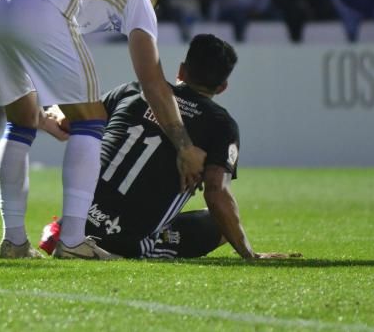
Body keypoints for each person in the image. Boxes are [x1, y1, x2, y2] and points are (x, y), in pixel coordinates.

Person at [0, 0, 206, 260]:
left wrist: (54, 109)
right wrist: (184, 145)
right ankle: (72, 241)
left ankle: (13, 241)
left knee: (22, 122)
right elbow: (152, 83)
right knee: (91, 120)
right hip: (36, 5)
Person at [38, 35, 298, 260]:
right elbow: (217, 194)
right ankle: (127, 242)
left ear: (182, 71)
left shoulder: (133, 91)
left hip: (76, 223)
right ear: (222, 87)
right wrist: (249, 253)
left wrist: (54, 113)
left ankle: (65, 231)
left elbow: (71, 122)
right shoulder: (221, 124)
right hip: (125, 244)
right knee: (217, 226)